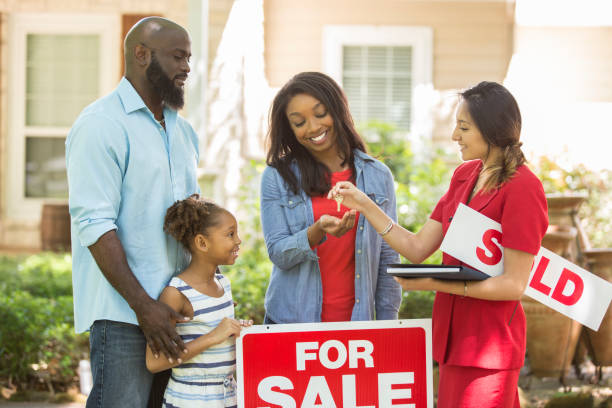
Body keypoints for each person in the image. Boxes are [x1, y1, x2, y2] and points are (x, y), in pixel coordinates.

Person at [329, 81, 548, 407]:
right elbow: (417, 248)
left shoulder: (523, 187)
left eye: (464, 127)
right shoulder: (464, 177)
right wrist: (364, 205)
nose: (454, 136)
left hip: (490, 346)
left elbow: (514, 285)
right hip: (453, 340)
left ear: (492, 130)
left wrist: (438, 283)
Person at [66, 17, 200, 407]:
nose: (187, 68)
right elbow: (94, 225)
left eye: (189, 58)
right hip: (125, 315)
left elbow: (192, 220)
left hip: (177, 312)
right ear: (141, 54)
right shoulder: (100, 125)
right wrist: (145, 308)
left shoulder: (183, 131)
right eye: (178, 57)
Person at [260, 71, 402, 324]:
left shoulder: (377, 175)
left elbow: (388, 259)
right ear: (290, 129)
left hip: (356, 325)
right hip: (292, 324)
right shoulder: (277, 177)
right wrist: (316, 231)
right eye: (299, 122)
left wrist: (388, 326)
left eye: (320, 113)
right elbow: (279, 253)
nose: (313, 127)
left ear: (337, 109)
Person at [145, 194, 252, 407]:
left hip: (228, 396)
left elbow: (222, 341)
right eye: (230, 234)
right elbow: (154, 362)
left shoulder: (224, 284)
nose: (238, 240)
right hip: (190, 400)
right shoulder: (177, 293)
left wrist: (239, 333)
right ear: (202, 243)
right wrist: (214, 336)